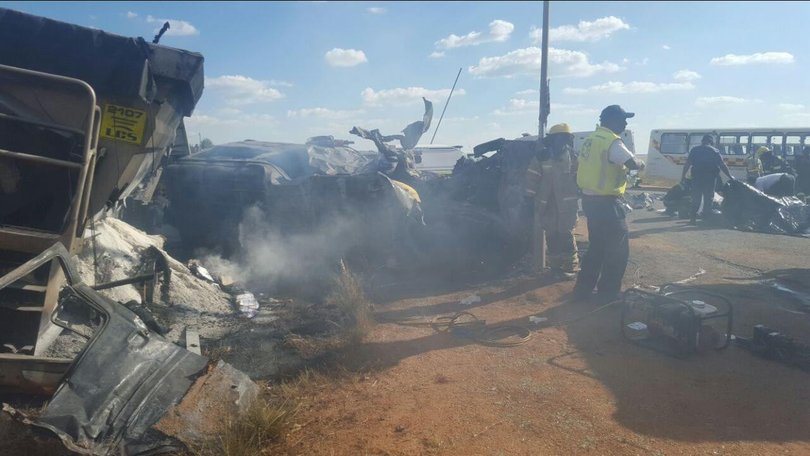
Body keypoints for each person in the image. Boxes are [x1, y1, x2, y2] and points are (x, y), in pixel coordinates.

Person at [573, 105, 644, 303]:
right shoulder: (611, 140)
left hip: (590, 201)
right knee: (617, 251)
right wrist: (640, 164)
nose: (625, 123)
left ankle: (582, 291)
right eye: (623, 119)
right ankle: (608, 294)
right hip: (607, 203)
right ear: (611, 120)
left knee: (596, 248)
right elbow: (631, 163)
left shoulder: (590, 140)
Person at [525, 123, 579, 279]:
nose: (562, 142)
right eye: (559, 138)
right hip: (547, 204)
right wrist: (529, 197)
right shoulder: (542, 156)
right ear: (553, 139)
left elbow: (579, 177)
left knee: (566, 234)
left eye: (565, 138)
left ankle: (571, 268)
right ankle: (555, 268)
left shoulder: (573, 157)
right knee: (552, 235)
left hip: (567, 205)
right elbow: (532, 176)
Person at [680, 135, 734, 225]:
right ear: (711, 142)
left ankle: (692, 219)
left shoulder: (694, 150)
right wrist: (730, 176)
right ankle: (705, 219)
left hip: (696, 178)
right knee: (708, 198)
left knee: (696, 198)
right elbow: (722, 165)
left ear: (702, 141)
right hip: (710, 179)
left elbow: (687, 164)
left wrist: (682, 176)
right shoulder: (715, 151)